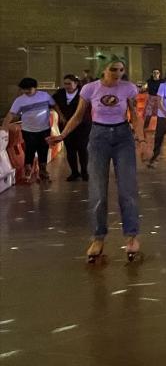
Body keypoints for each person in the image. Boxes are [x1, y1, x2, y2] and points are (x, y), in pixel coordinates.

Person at [49, 59, 144, 263]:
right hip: (99, 136)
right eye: (113, 69)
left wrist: (141, 139)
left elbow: (135, 115)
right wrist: (62, 135)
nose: (118, 73)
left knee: (127, 189)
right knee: (98, 191)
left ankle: (131, 236)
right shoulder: (90, 89)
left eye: (121, 70)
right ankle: (98, 238)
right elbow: (78, 116)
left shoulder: (128, 89)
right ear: (104, 70)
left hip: (123, 136)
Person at [4, 77, 56, 183]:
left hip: (44, 129)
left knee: (43, 150)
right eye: (24, 89)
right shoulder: (19, 100)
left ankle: (43, 172)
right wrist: (4, 126)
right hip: (28, 131)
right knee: (29, 151)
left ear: (35, 88)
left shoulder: (44, 96)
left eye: (29, 89)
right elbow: (11, 114)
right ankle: (27, 173)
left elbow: (54, 105)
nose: (26, 91)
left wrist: (62, 116)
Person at [51, 74, 89, 181]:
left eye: (69, 83)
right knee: (70, 150)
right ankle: (74, 172)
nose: (67, 86)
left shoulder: (83, 93)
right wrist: (60, 115)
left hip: (82, 125)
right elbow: (53, 103)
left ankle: (84, 172)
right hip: (66, 125)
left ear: (76, 83)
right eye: (65, 84)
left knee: (82, 149)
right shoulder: (60, 94)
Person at [141, 68, 163, 134]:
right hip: (151, 99)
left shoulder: (162, 82)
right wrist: (142, 89)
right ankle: (144, 128)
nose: (156, 74)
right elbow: (144, 88)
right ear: (152, 74)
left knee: (160, 115)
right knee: (148, 114)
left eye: (157, 73)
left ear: (159, 74)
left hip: (159, 99)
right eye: (154, 73)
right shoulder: (149, 81)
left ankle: (159, 129)